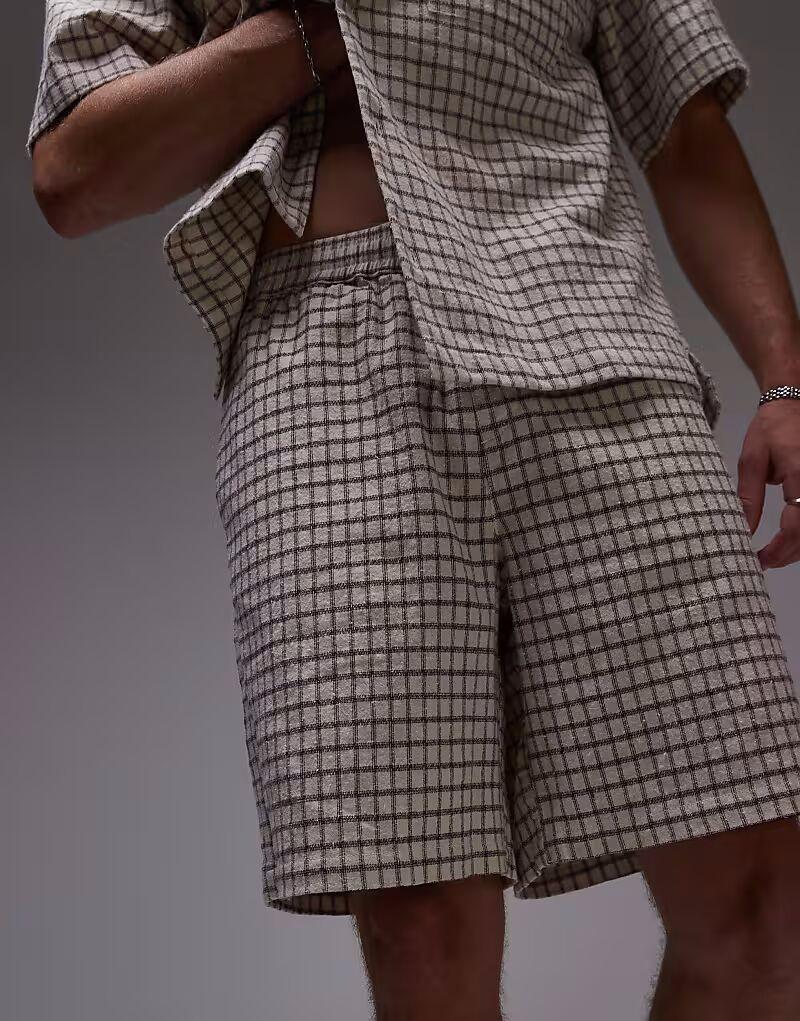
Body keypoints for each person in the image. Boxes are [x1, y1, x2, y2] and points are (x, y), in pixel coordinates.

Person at [27, 1, 800, 1017]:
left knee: (763, 911)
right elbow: (76, 171)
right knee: (423, 929)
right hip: (324, 362)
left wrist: (785, 381)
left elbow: (685, 127)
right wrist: (310, 28)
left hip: (597, 341)